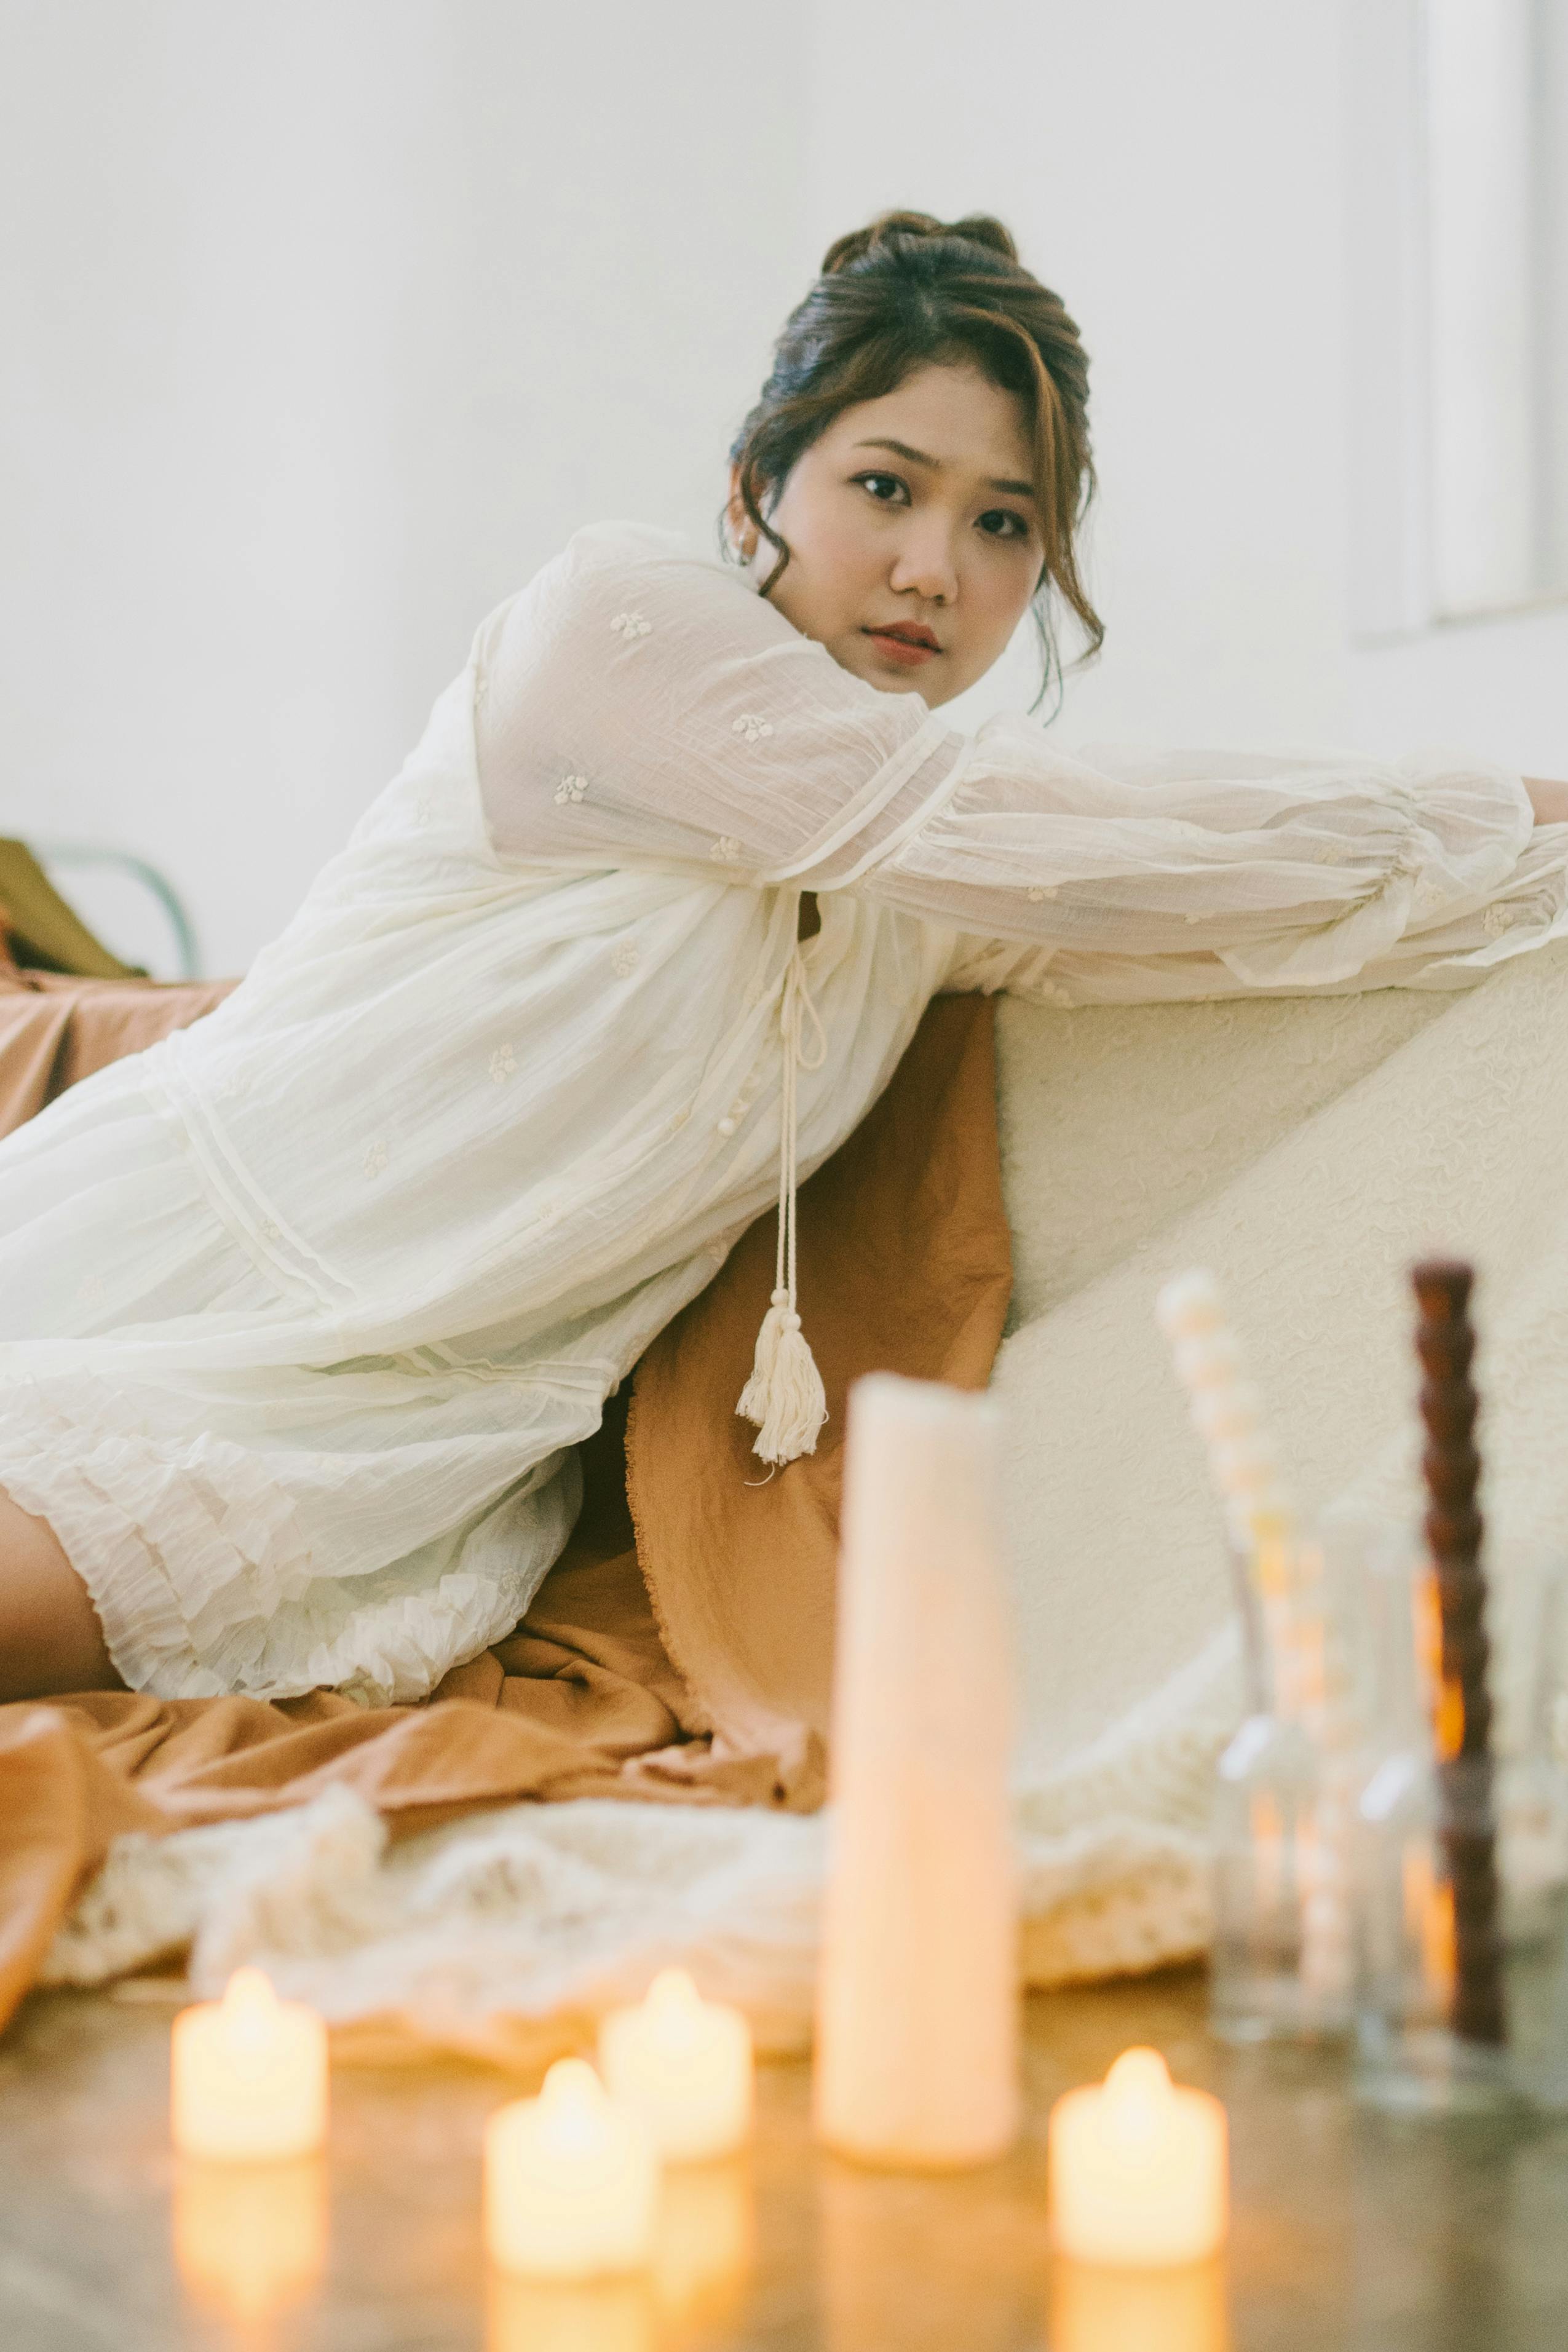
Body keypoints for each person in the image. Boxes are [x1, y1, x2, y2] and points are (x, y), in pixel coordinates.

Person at [2, 210, 1566, 1708]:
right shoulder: (615, 628)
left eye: (1003, 523)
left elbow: (1221, 892)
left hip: (407, 1443)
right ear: (757, 485)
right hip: (172, 1282)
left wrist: (1530, 860)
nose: (935, 568)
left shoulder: (929, 891)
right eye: (886, 486)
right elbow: (1032, 818)